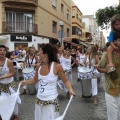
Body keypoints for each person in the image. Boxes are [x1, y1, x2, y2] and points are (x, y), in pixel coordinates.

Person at [20, 43, 75, 120]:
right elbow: (35, 80)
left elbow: (65, 80)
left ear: (46, 53)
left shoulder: (57, 66)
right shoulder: (39, 66)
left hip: (51, 102)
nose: (38, 53)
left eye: (40, 51)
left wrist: (70, 90)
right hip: (39, 101)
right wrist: (25, 82)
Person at [97, 34, 120, 120]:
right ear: (115, 42)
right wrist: (107, 70)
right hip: (111, 91)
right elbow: (99, 67)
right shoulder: (107, 54)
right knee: (113, 117)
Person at [0, 45, 20, 120]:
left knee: (13, 99)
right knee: (2, 100)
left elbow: (12, 73)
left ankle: (15, 115)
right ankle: (3, 114)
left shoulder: (8, 61)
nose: (2, 51)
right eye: (0, 50)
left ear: (5, 52)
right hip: (1, 85)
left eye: (3, 50)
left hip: (10, 84)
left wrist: (2, 77)